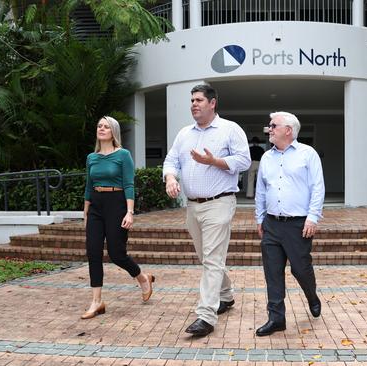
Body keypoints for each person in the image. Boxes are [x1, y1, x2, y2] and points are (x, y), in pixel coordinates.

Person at [163, 84, 251, 337]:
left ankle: (206, 316)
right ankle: (225, 295)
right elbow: (171, 160)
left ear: (212, 103)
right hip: (192, 206)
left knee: (212, 259)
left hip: (220, 203)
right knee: (207, 257)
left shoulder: (230, 129)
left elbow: (244, 161)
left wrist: (214, 161)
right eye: (192, 100)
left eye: (199, 100)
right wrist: (170, 178)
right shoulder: (184, 134)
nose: (194, 104)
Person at [254, 111, 325, 336]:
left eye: (273, 125)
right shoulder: (266, 157)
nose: (269, 129)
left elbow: (317, 188)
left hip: (298, 225)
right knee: (272, 273)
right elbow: (261, 190)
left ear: (289, 130)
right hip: (272, 223)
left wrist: (312, 217)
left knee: (300, 269)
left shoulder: (307, 154)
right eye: (269, 126)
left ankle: (311, 296)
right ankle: (276, 318)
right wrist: (260, 218)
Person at [82, 116, 155, 320]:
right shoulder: (92, 157)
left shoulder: (123, 155)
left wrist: (129, 212)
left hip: (117, 203)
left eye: (106, 126)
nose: (102, 129)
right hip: (96, 205)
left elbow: (129, 184)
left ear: (114, 131)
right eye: (99, 126)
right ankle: (97, 302)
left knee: (117, 253)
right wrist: (85, 213)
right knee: (93, 252)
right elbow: (88, 186)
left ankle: (142, 278)